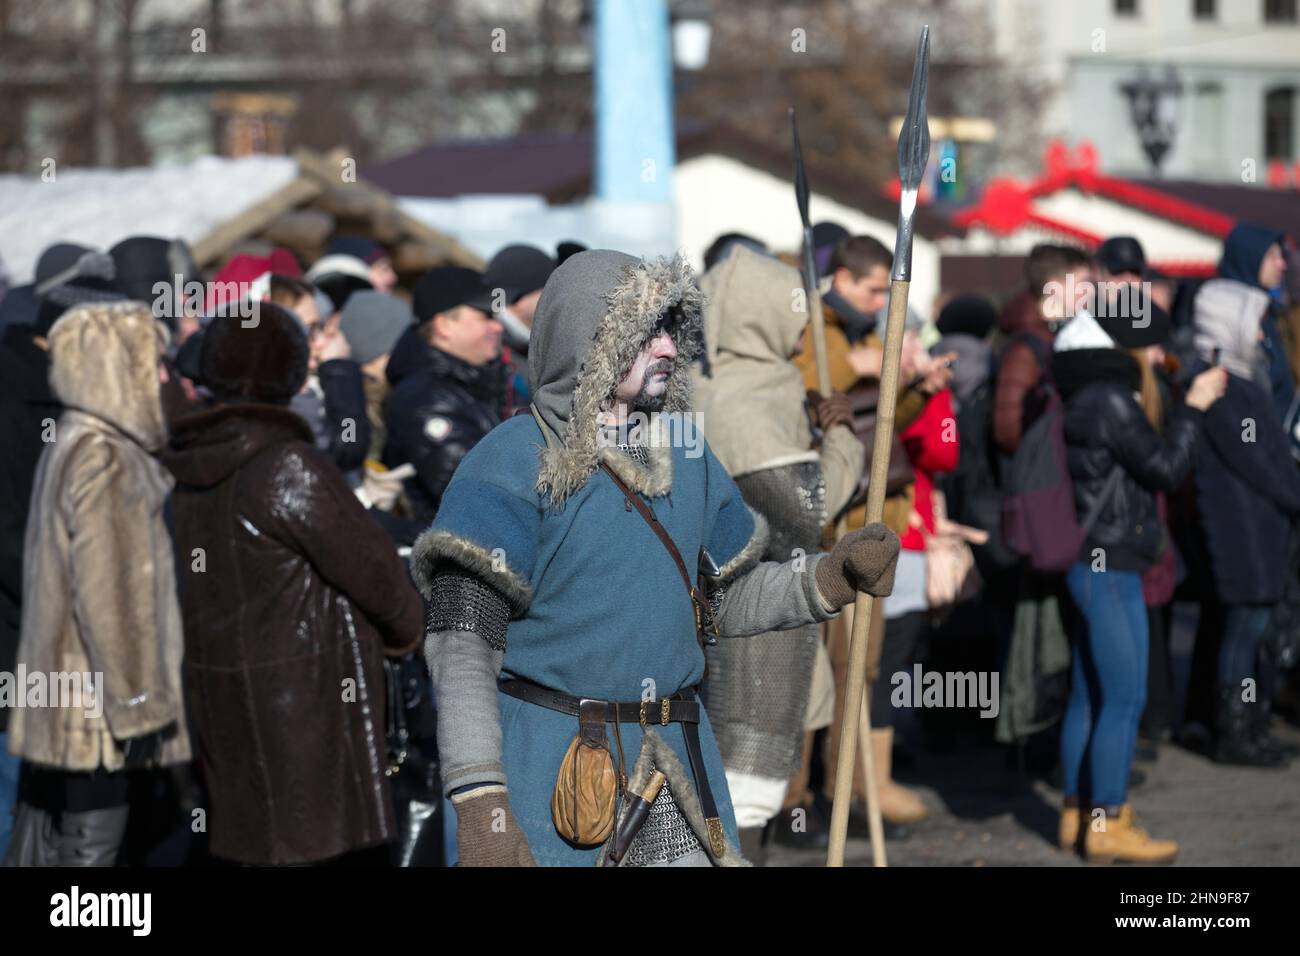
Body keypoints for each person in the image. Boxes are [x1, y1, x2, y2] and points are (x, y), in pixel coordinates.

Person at [418, 249, 900, 866]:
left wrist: (830, 576)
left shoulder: (687, 454)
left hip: (675, 769)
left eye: (672, 329)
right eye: (647, 331)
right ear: (589, 340)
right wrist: (481, 804)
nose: (670, 349)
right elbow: (462, 651)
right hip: (552, 772)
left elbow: (723, 599)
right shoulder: (511, 461)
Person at [162, 304, 424, 866]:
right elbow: (376, 571)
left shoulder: (189, 464)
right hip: (311, 715)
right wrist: (407, 635)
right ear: (290, 370)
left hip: (226, 706)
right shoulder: (287, 465)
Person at [692, 246, 864, 862]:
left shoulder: (712, 382)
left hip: (724, 616)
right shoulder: (741, 403)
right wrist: (844, 440)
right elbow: (803, 514)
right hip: (751, 627)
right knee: (737, 812)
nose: (800, 329)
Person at [5, 302, 191, 866]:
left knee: (54, 840)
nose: (165, 377)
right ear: (120, 367)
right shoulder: (108, 457)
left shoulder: (75, 440)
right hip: (101, 705)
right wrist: (139, 703)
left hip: (70, 694)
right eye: (153, 363)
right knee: (92, 855)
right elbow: (112, 598)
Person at [1051, 292, 1227, 863]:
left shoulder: (1082, 389)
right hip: (1110, 564)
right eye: (1150, 343)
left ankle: (1077, 813)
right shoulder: (1110, 399)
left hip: (1087, 561)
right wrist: (1194, 408)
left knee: (1088, 693)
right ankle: (1108, 821)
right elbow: (1164, 467)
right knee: (1124, 696)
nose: (1158, 356)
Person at [1192, 277, 1300, 767]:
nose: (1263, 336)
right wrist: (1293, 494)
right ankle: (1235, 731)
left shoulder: (1238, 380)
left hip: (1257, 527)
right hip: (1243, 530)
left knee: (1252, 632)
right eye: (1254, 324)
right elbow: (1256, 459)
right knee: (1244, 633)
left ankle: (1249, 724)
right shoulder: (1223, 385)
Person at [383, 266, 503, 523]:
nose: (497, 327)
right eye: (486, 316)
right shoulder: (424, 399)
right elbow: (479, 494)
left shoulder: (470, 384)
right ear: (444, 325)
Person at [484, 243, 556, 407]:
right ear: (518, 299)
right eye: (548, 289)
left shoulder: (522, 344)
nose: (556, 298)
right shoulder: (494, 354)